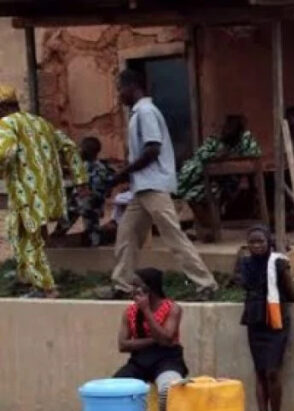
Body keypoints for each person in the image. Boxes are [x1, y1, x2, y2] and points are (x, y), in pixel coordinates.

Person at [110, 69, 218, 300]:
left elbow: (152, 148)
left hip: (153, 185)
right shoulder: (139, 113)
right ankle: (122, 285)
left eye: (120, 89)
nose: (119, 95)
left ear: (132, 88)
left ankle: (205, 284)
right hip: (142, 188)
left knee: (173, 235)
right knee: (126, 234)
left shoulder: (146, 112)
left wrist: (123, 173)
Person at [0, 84, 87, 297]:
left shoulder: (6, 124)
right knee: (30, 235)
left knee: (28, 240)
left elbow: (5, 153)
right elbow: (69, 146)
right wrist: (80, 180)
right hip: (48, 194)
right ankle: (29, 279)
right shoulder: (41, 123)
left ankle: (47, 288)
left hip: (26, 194)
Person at [113, 268, 187, 411]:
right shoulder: (130, 312)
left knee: (168, 390)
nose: (133, 289)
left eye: (137, 285)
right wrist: (155, 340)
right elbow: (123, 345)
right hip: (140, 360)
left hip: (167, 359)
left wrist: (146, 311)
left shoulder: (172, 309)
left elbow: (167, 340)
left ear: (150, 288)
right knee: (115, 388)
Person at [235, 226, 294, 411]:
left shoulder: (278, 263)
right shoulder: (244, 264)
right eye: (252, 242)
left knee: (272, 371)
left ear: (269, 241)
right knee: (260, 372)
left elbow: (291, 294)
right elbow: (239, 282)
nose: (256, 246)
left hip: (275, 321)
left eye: (260, 241)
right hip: (255, 320)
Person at [177, 115, 262, 234]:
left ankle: (210, 229)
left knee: (209, 194)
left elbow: (254, 154)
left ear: (238, 130)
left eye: (230, 128)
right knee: (192, 196)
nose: (225, 130)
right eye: (225, 128)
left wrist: (231, 158)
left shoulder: (245, 139)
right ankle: (210, 228)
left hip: (228, 180)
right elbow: (201, 155)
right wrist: (216, 155)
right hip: (204, 178)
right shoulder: (215, 140)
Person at [58, 136, 116, 247]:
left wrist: (87, 195)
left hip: (88, 206)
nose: (79, 151)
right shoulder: (83, 166)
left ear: (87, 151)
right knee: (61, 229)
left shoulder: (99, 169)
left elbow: (100, 190)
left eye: (81, 148)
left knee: (93, 235)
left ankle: (94, 256)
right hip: (76, 204)